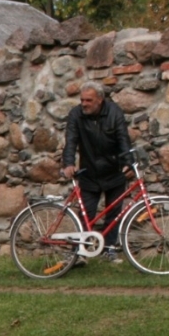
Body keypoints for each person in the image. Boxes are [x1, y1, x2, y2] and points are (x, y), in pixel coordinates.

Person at [62, 83, 135, 261]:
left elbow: (123, 139)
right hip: (89, 172)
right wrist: (69, 163)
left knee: (114, 214)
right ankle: (80, 253)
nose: (84, 104)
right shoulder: (76, 115)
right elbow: (70, 141)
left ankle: (109, 249)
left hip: (114, 170)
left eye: (89, 100)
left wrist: (128, 163)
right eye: (82, 100)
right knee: (85, 214)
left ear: (100, 100)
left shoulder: (114, 112)